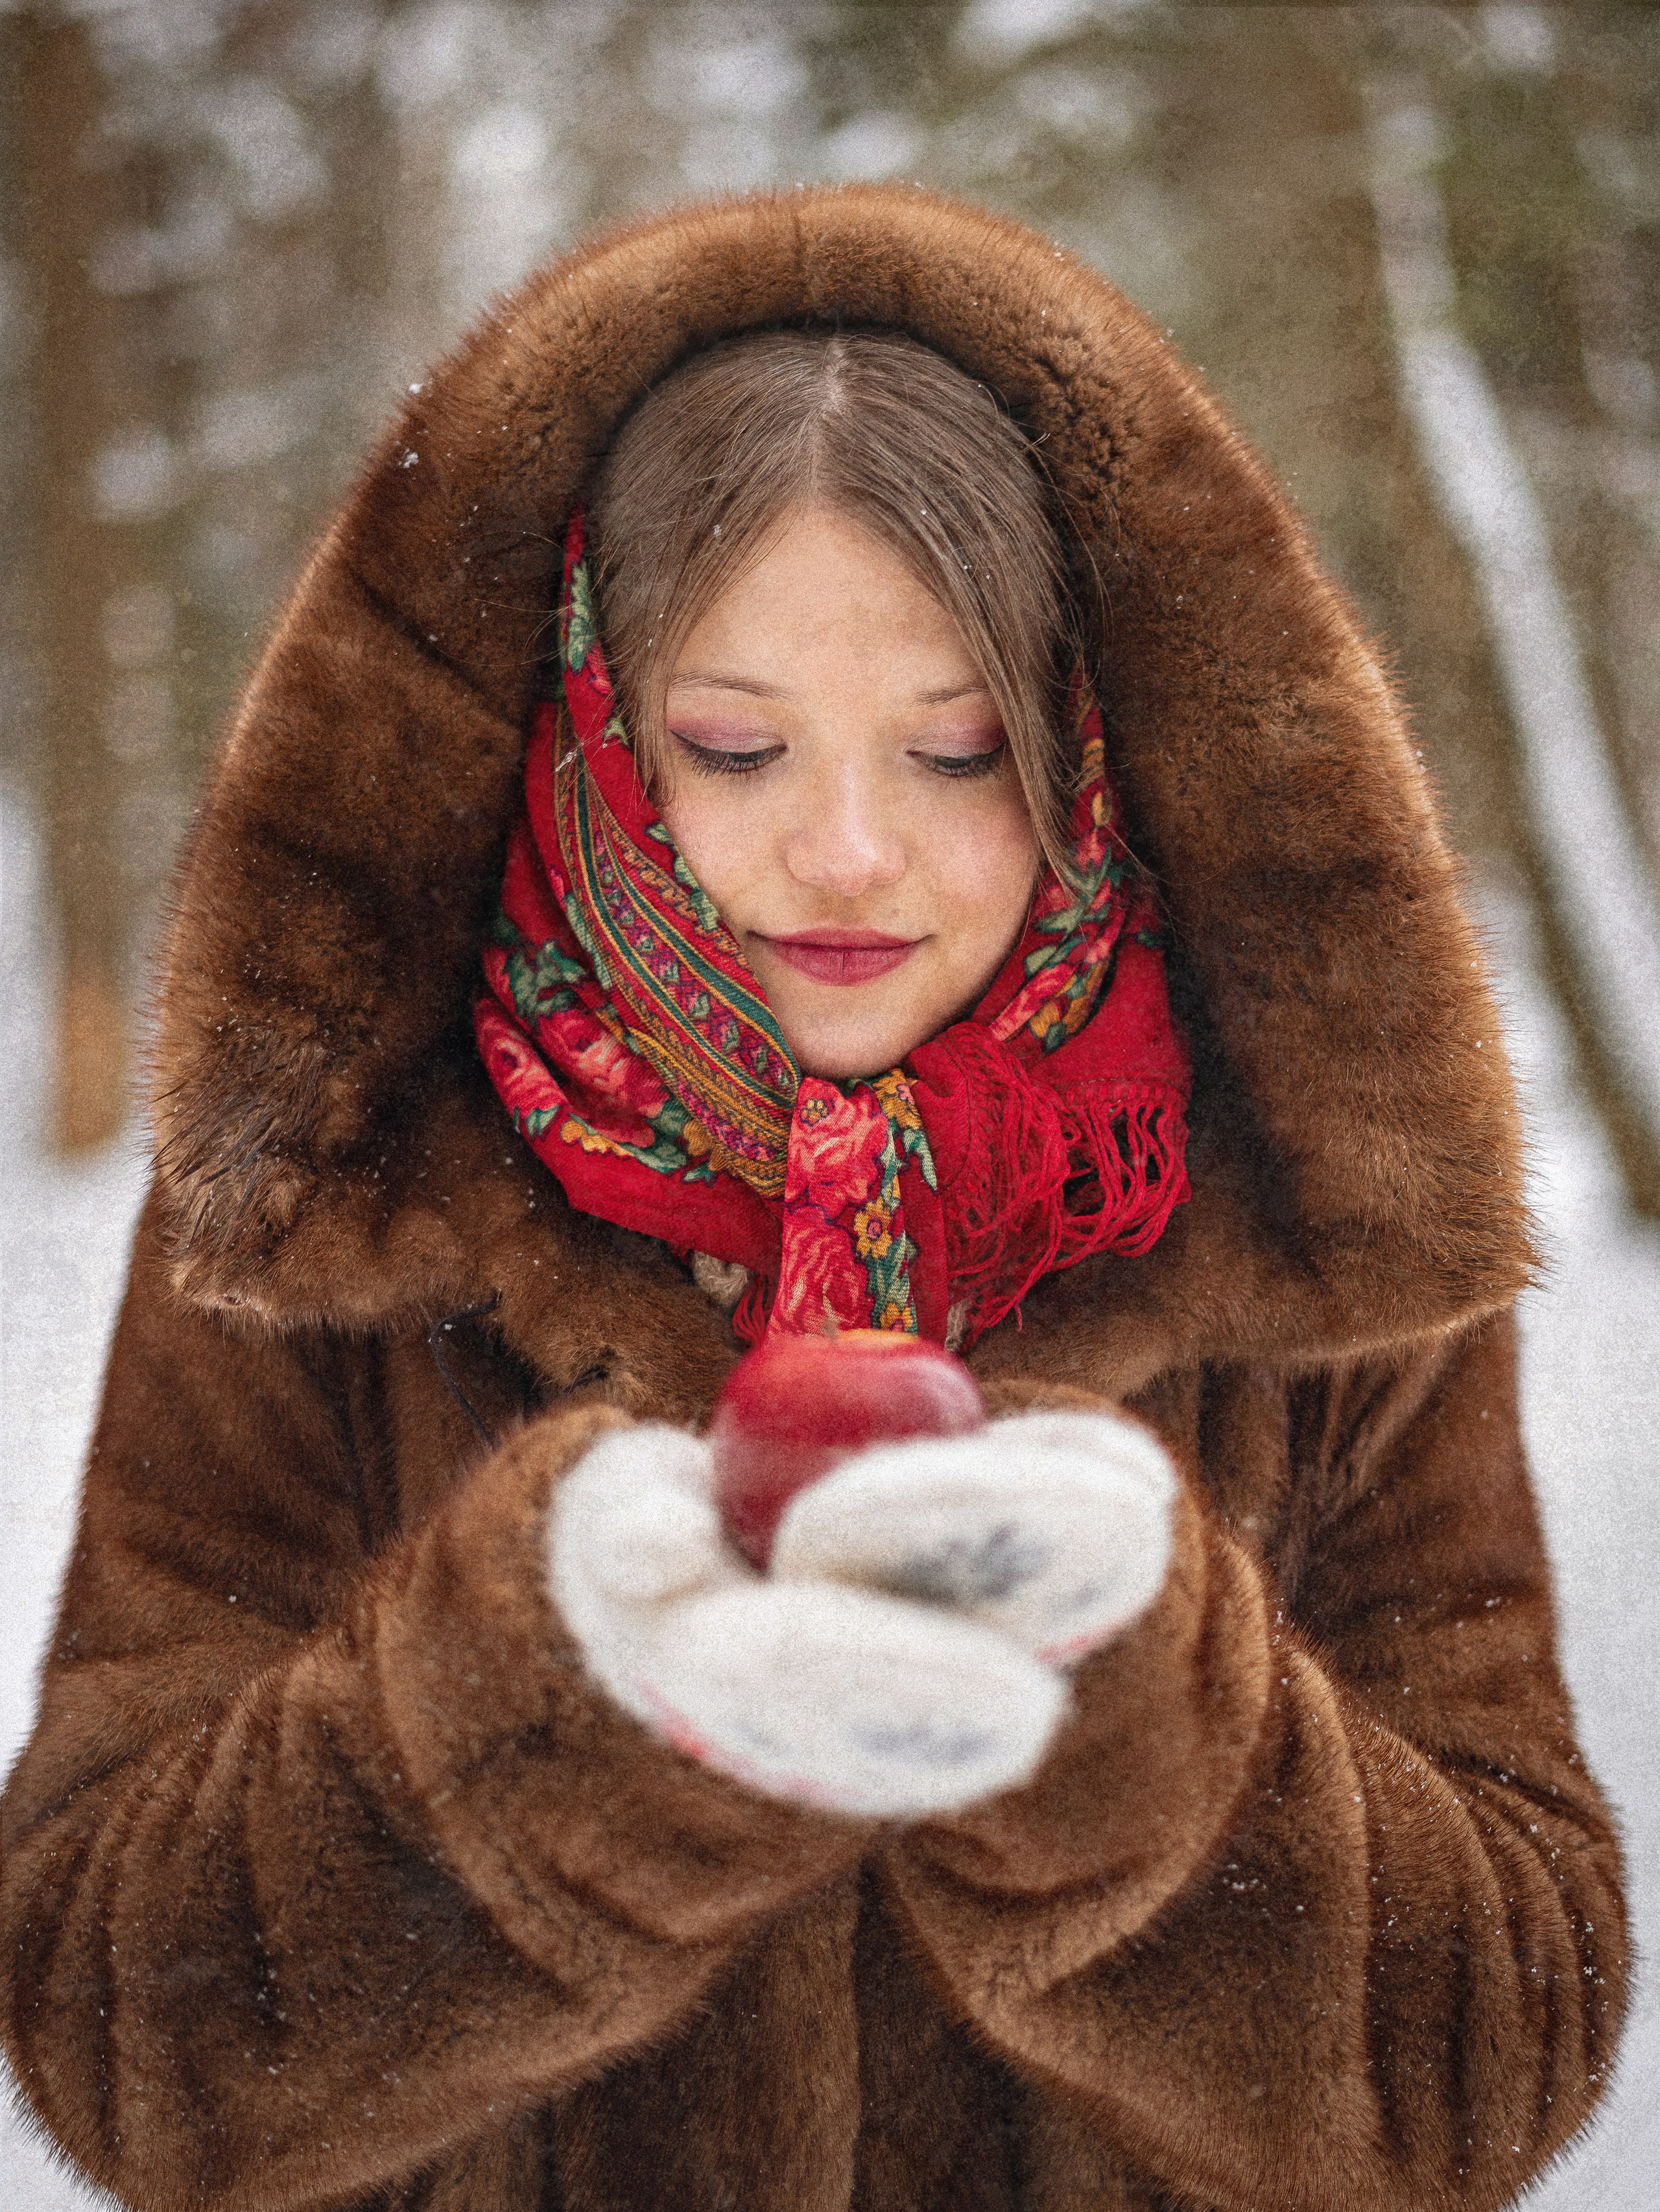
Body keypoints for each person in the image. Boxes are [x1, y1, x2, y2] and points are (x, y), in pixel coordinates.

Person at [0, 186, 1625, 2212]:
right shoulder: (339, 1202)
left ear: (1086, 748)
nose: (849, 850)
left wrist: (1127, 1725)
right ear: (589, 731)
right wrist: (546, 1724)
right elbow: (119, 2033)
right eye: (735, 742)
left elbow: (1491, 2054)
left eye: (955, 751)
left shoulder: (1284, 1215)